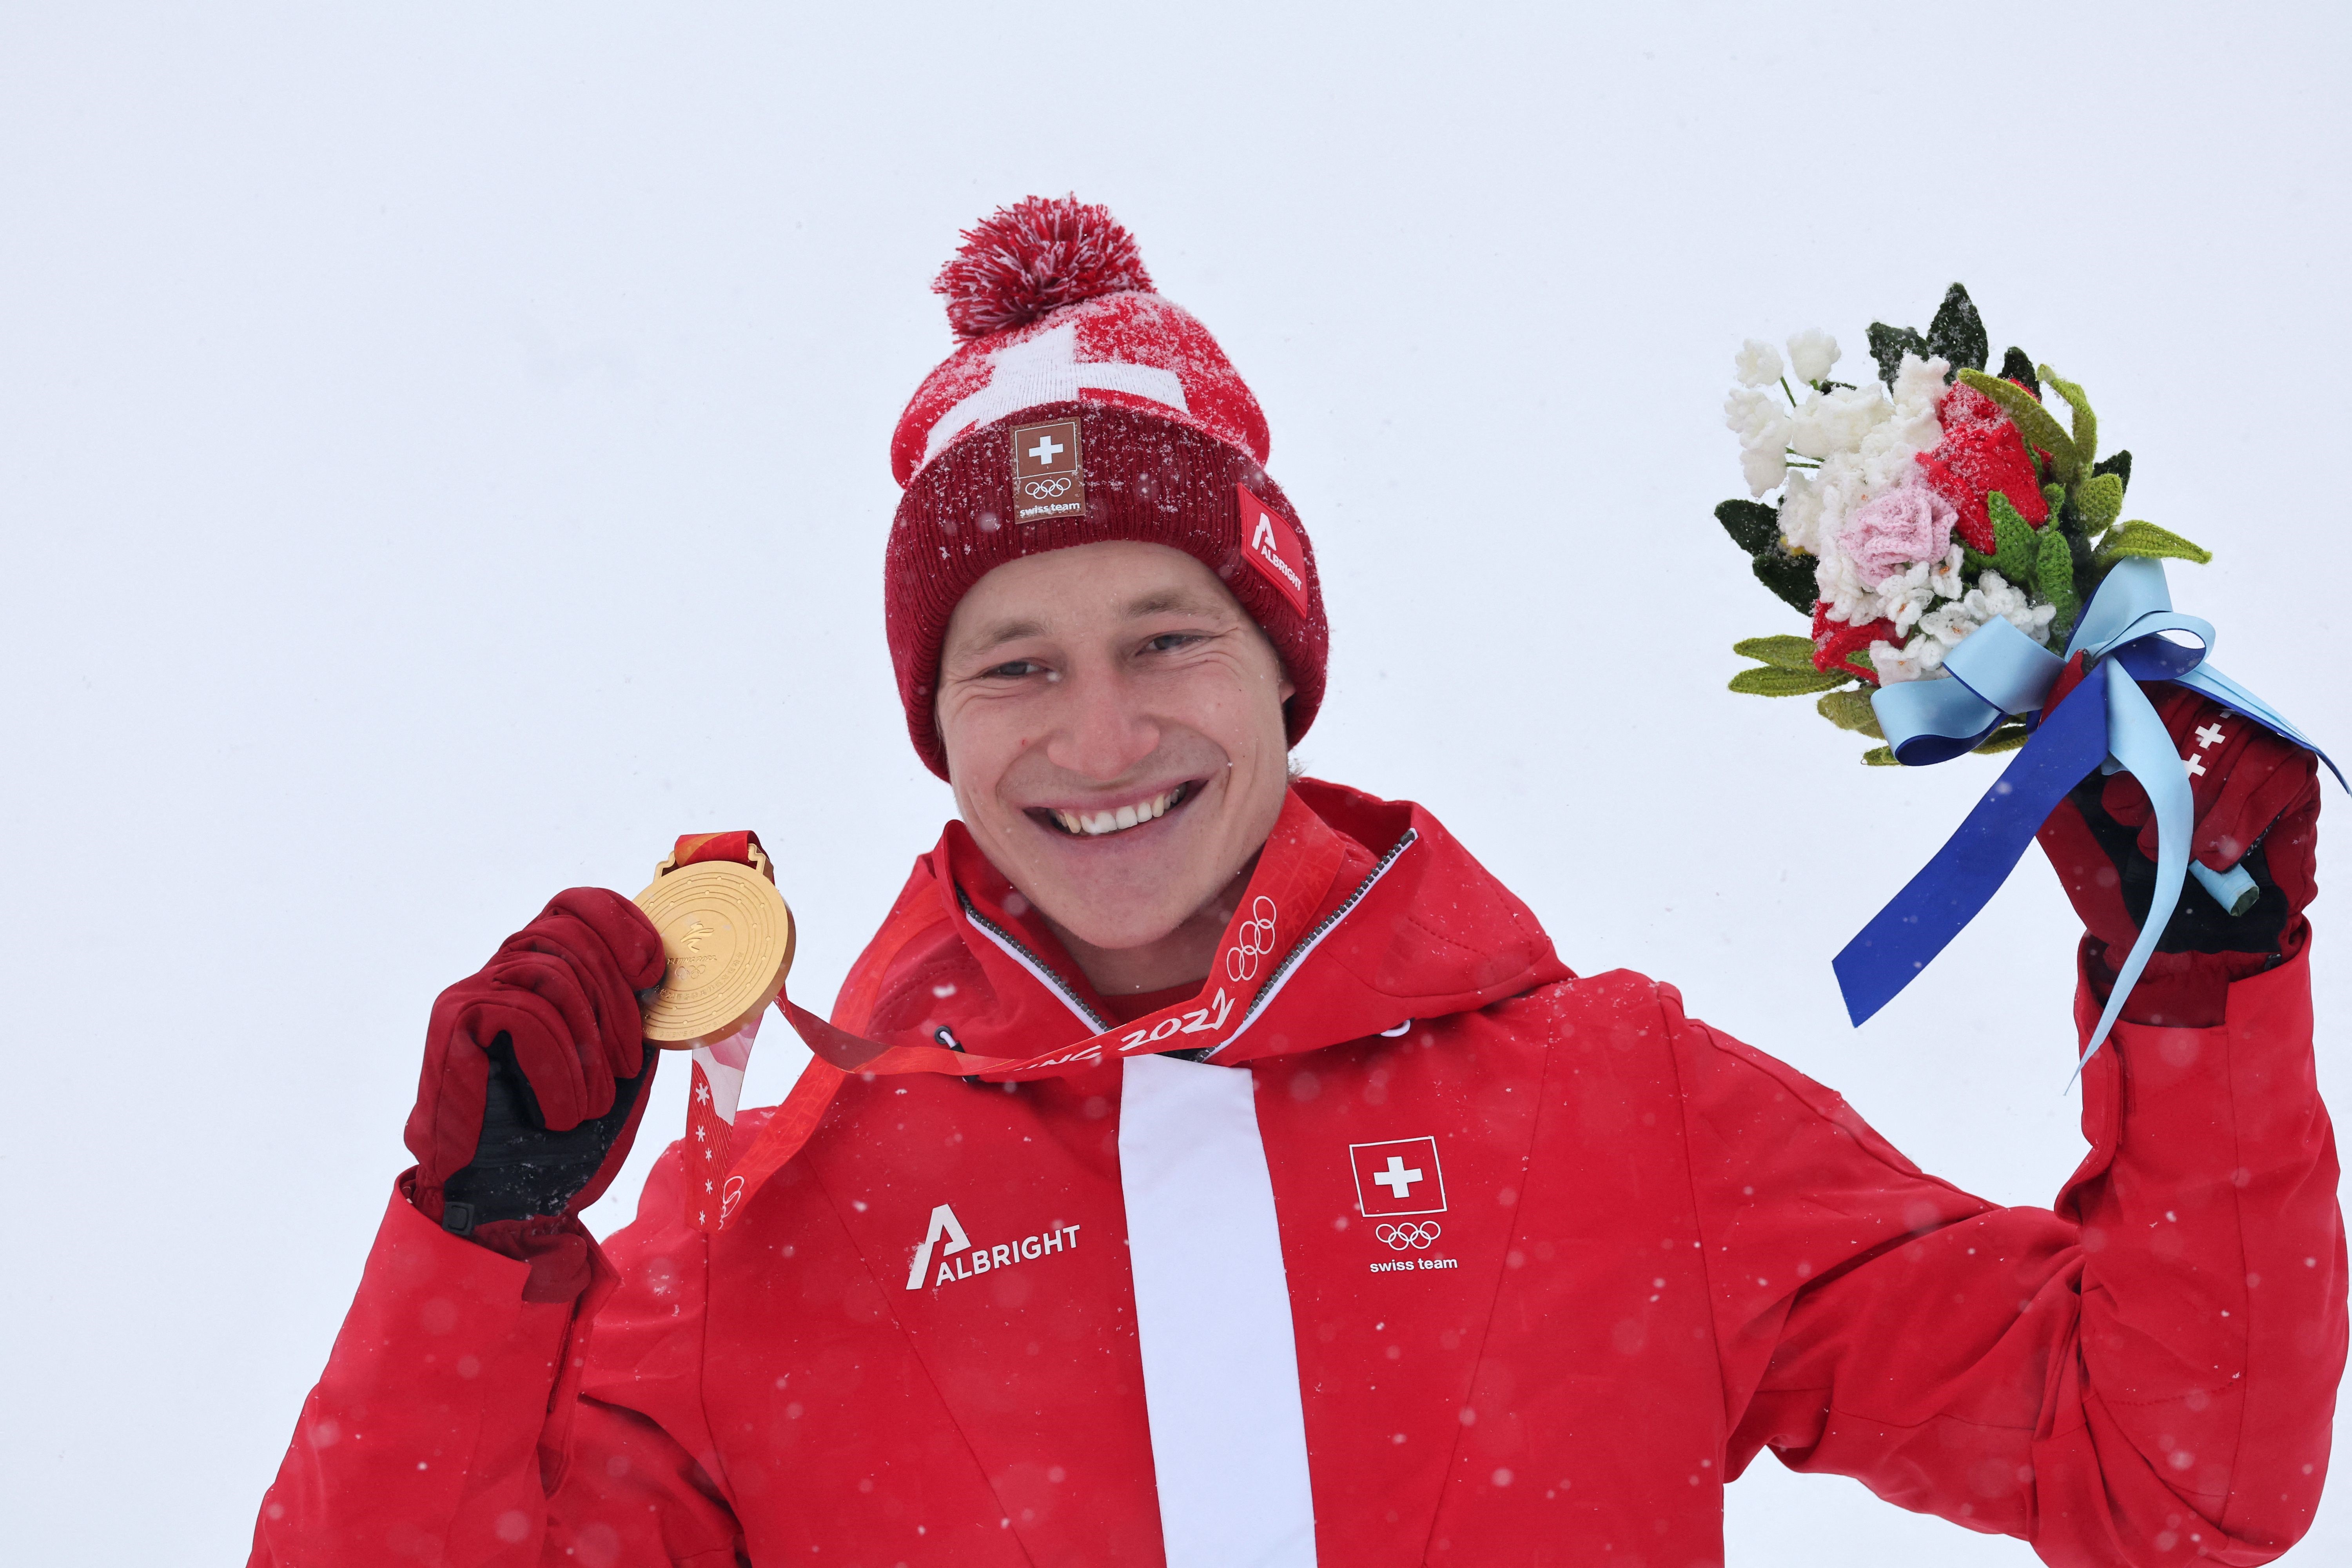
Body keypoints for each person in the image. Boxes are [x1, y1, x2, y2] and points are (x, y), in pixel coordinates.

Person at [250, 197, 2344, 1567]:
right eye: (1016, 666)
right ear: (939, 727)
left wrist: (2208, 987)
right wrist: (477, 1239)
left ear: (1282, 667)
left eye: (1166, 640)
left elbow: (2168, 1473)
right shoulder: (767, 1238)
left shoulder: (1622, 1113)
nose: (1098, 737)